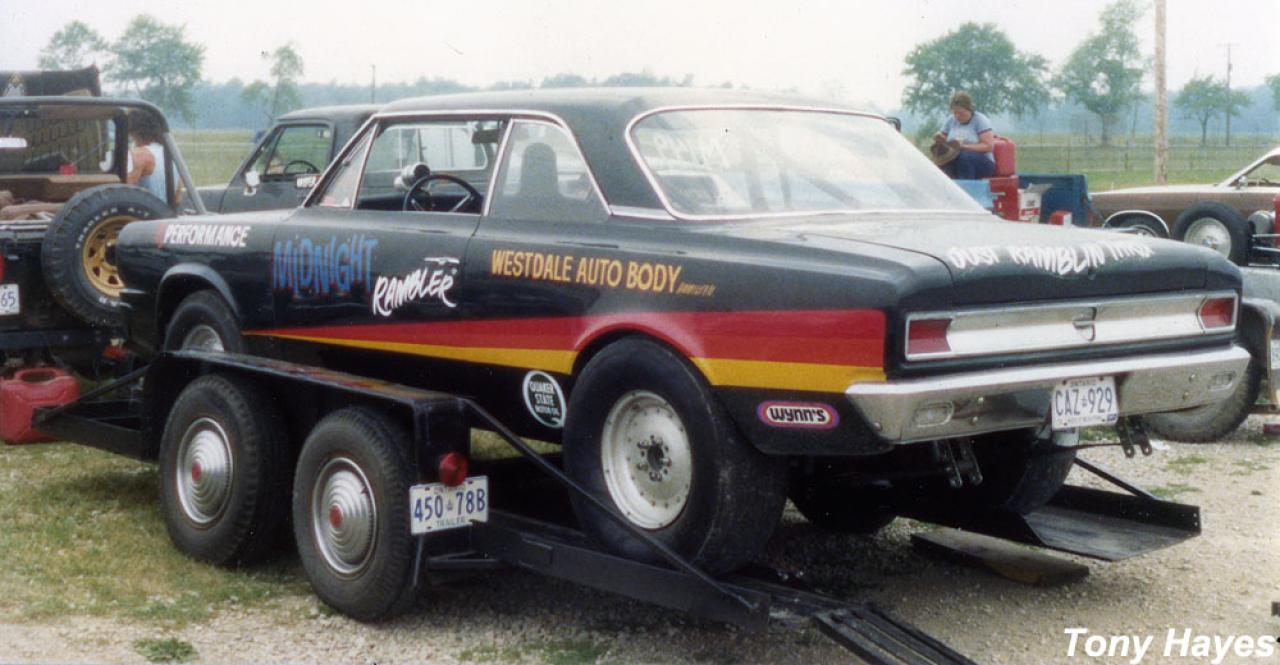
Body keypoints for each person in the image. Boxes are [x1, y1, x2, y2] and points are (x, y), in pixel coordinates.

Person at [932, 91, 995, 179]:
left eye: (961, 113)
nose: (957, 116)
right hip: (955, 159)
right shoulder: (950, 120)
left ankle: (965, 185)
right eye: (955, 113)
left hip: (983, 163)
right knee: (943, 161)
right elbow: (943, 138)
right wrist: (939, 138)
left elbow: (988, 146)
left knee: (964, 156)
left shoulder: (980, 120)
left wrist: (963, 147)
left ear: (969, 109)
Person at [125, 112, 168, 199]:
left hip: (140, 207)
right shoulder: (170, 156)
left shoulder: (138, 155)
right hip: (164, 207)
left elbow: (121, 191)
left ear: (132, 131)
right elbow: (178, 198)